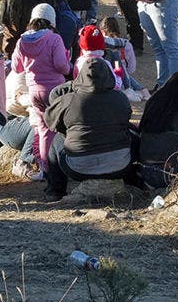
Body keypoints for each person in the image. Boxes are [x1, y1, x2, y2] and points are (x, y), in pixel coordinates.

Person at [43, 58, 136, 202]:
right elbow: (125, 121)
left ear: (81, 76)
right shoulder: (120, 98)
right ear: (108, 74)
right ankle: (134, 181)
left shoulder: (68, 100)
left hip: (77, 170)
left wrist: (68, 131)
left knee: (55, 141)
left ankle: (55, 191)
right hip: (120, 167)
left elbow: (50, 121)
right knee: (132, 135)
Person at [12, 3, 72, 175]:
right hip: (55, 90)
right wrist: (69, 67)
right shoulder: (54, 39)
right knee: (61, 126)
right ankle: (62, 164)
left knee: (43, 129)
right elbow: (62, 66)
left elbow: (16, 67)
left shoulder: (22, 40)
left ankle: (45, 167)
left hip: (34, 92)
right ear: (51, 21)